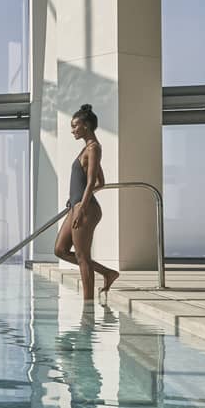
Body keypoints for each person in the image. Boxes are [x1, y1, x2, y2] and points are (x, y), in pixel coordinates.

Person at [53, 103, 119, 300]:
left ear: (87, 126)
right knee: (60, 250)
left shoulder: (94, 149)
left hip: (85, 209)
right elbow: (101, 182)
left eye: (75, 126)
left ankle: (87, 306)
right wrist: (75, 199)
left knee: (82, 257)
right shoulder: (87, 149)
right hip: (78, 205)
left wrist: (82, 207)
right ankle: (108, 273)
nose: (73, 130)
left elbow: (92, 182)